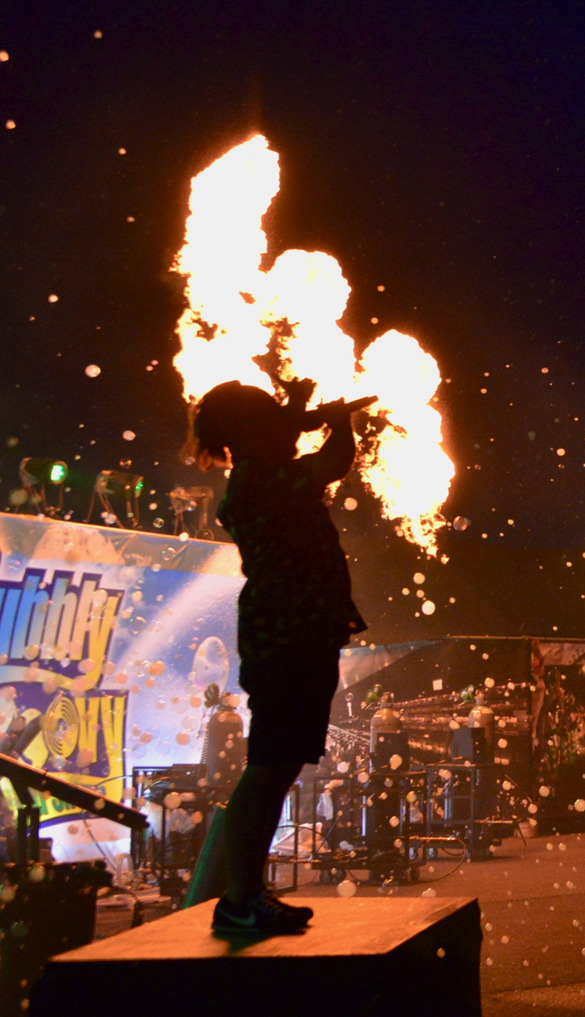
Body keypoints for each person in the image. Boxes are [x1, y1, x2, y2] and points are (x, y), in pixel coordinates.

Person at [183, 379, 373, 936]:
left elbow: (286, 440)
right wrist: (336, 420)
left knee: (276, 765)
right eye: (267, 418)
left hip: (293, 636)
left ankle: (244, 894)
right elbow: (334, 460)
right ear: (251, 432)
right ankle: (240, 896)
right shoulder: (264, 480)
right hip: (288, 639)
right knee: (269, 768)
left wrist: (295, 410)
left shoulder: (257, 474)